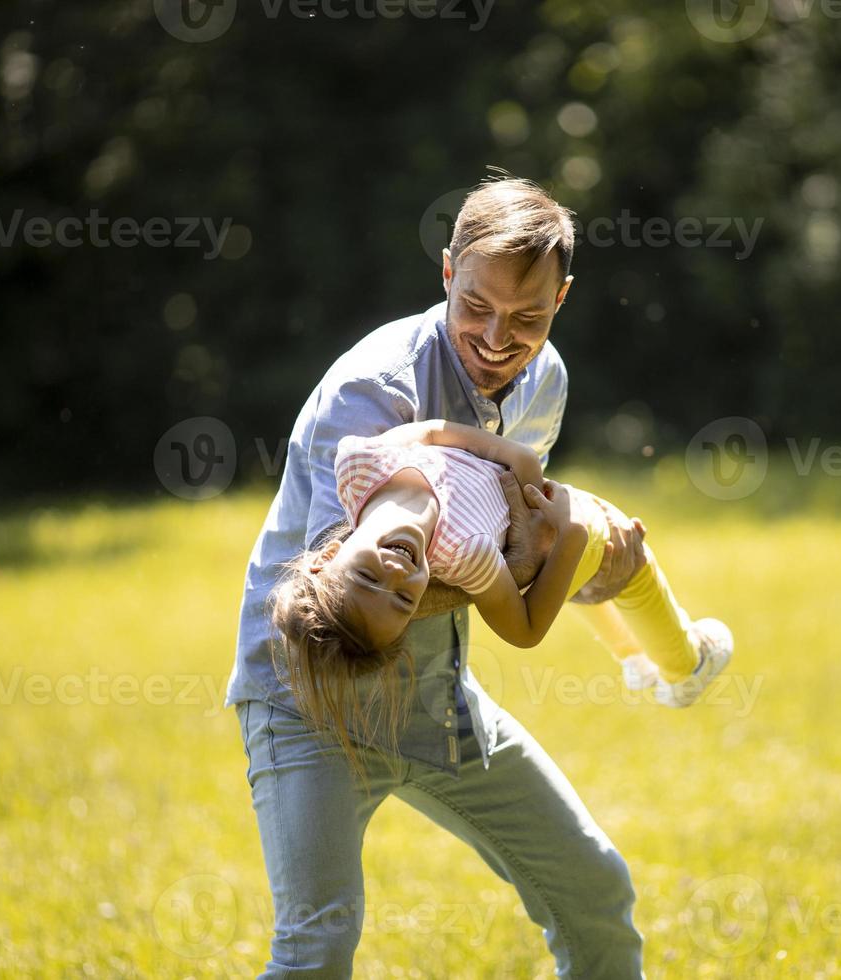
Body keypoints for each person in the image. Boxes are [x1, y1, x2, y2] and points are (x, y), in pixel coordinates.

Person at [225, 177, 648, 977]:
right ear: (448, 274)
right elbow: (345, 598)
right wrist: (531, 566)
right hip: (311, 701)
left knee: (593, 891)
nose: (497, 339)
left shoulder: (545, 381)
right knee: (317, 943)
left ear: (562, 297)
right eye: (477, 308)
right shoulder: (374, 393)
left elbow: (509, 547)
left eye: (528, 318)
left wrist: (586, 567)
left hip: (434, 699)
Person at [271, 419, 734, 779]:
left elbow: (434, 431)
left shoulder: (358, 463)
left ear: (326, 556)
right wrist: (569, 535)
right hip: (584, 533)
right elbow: (525, 630)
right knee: (634, 573)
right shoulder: (464, 553)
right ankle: (685, 667)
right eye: (404, 601)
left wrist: (514, 457)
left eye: (368, 577)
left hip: (559, 527)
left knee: (593, 597)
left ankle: (633, 658)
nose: (397, 575)